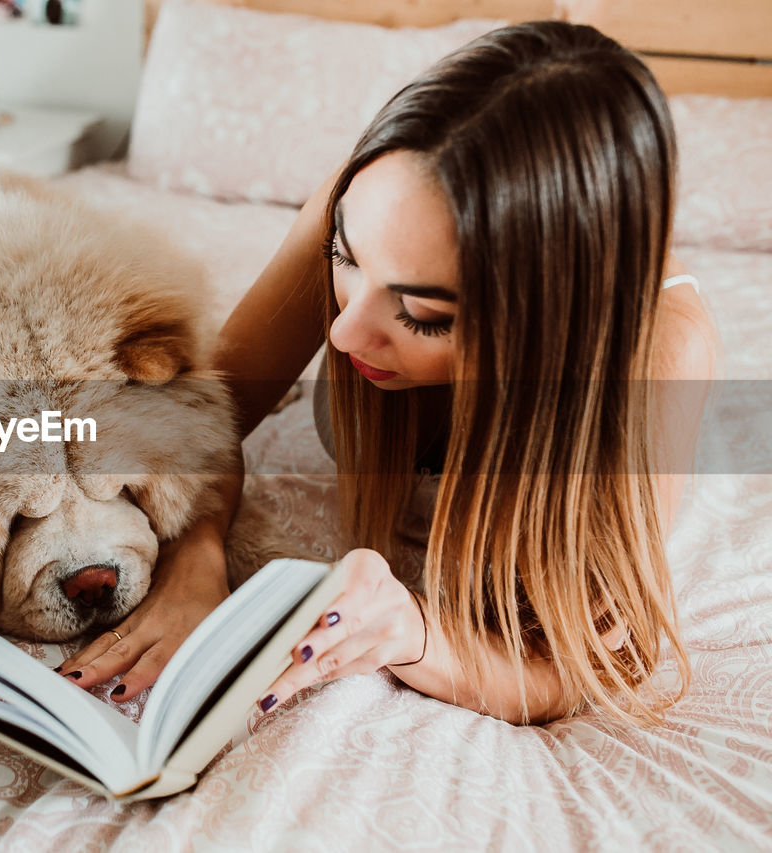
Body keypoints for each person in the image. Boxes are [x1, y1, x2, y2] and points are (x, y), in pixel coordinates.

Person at [57, 20, 716, 725]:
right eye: (346, 261)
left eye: (424, 314)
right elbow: (207, 414)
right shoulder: (371, 204)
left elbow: (572, 667)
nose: (341, 334)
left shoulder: (660, 354)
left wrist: (414, 632)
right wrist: (200, 548)